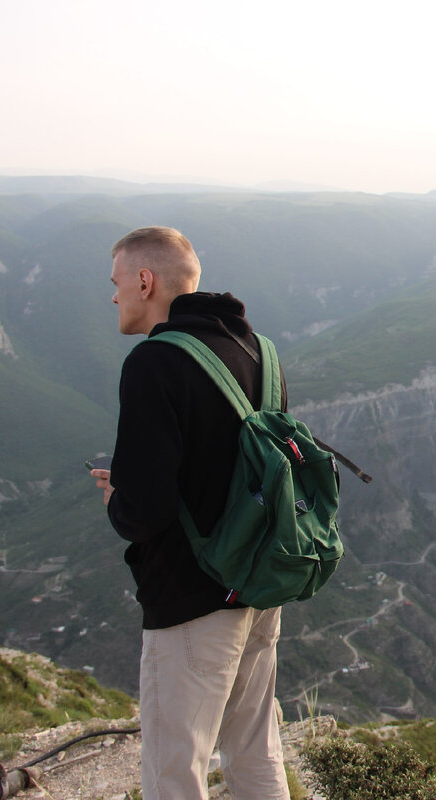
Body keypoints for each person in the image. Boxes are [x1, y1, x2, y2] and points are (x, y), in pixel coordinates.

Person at [91, 226, 291, 800]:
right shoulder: (261, 351)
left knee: (174, 770)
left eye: (118, 283)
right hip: (258, 588)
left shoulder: (154, 362)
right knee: (256, 752)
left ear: (146, 281)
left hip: (192, 603)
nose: (114, 296)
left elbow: (145, 512)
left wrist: (116, 498)